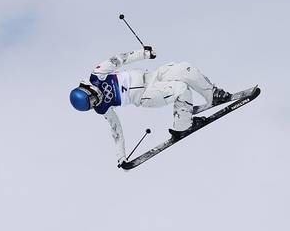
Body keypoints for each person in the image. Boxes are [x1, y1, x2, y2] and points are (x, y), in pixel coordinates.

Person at [69, 47, 232, 165]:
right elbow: (115, 129)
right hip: (147, 95)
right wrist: (121, 156)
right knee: (181, 89)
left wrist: (144, 53)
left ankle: (213, 95)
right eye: (91, 106)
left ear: (88, 90)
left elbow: (120, 59)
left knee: (185, 69)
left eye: (91, 100)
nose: (95, 103)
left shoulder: (98, 75)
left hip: (152, 75)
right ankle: (183, 126)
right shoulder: (102, 107)